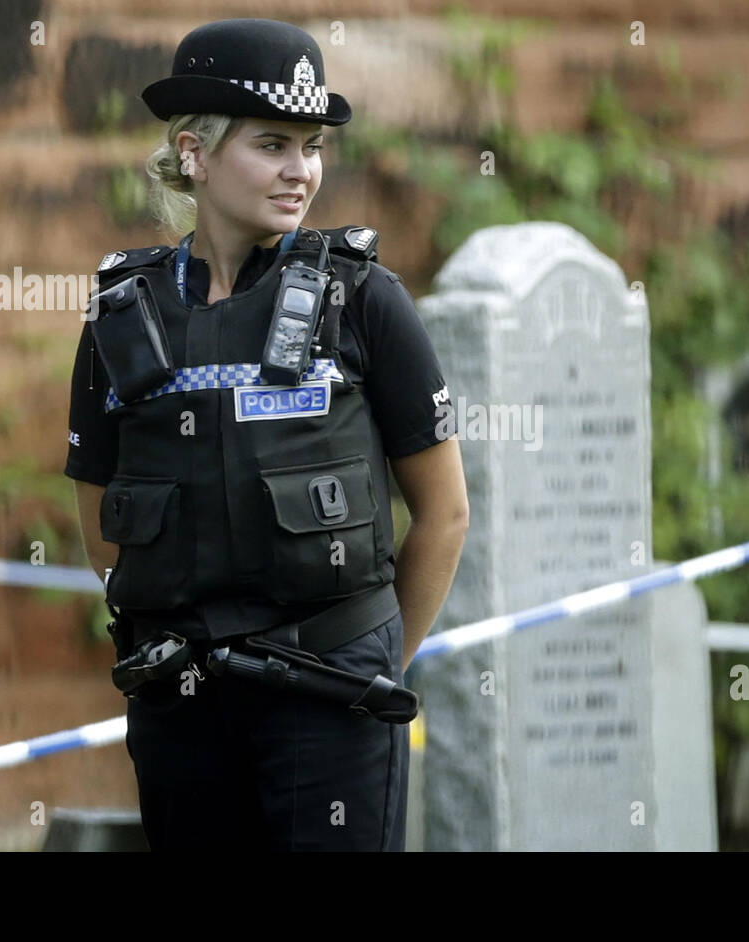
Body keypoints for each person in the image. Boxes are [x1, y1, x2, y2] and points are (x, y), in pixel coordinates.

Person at [62, 18, 469, 851]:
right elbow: (99, 515)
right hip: (182, 710)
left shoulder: (364, 299)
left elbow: (445, 512)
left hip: (334, 705)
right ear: (194, 153)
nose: (301, 171)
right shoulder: (123, 316)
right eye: (273, 143)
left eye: (312, 145)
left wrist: (376, 657)